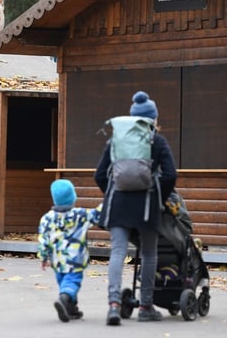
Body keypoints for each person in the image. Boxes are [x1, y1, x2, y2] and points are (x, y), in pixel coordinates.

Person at [94, 91, 177, 325]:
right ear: (153, 119)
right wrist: (158, 195)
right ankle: (146, 306)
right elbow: (171, 175)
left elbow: (99, 175)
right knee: (149, 254)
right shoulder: (157, 141)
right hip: (147, 206)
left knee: (118, 252)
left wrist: (112, 193)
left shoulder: (115, 141)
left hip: (118, 205)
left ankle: (113, 305)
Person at [37, 179, 102, 323]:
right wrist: (108, 201)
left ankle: (71, 309)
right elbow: (97, 215)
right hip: (75, 259)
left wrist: (43, 257)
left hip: (57, 261)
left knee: (64, 283)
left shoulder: (47, 218)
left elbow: (43, 240)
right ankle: (64, 299)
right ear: (73, 197)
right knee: (72, 283)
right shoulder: (80, 215)